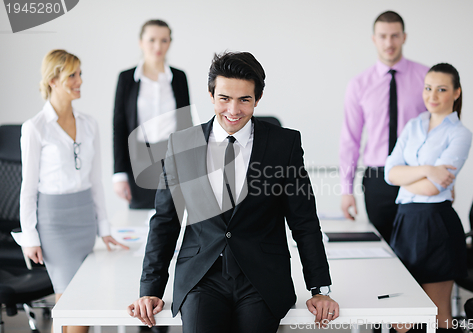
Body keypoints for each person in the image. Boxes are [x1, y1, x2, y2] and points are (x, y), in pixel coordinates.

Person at [127, 51, 339, 332]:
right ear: (211, 94)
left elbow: (304, 221)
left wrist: (319, 288)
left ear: (258, 99)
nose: (233, 110)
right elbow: (165, 221)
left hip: (261, 278)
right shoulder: (181, 144)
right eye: (225, 98)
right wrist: (150, 288)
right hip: (201, 278)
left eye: (244, 100)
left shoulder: (283, 144)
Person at [12, 49, 128, 333]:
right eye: (72, 75)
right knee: (75, 306)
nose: (80, 81)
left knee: (80, 305)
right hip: (55, 226)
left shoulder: (89, 124)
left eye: (80, 74)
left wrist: (104, 227)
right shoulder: (35, 128)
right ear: (53, 80)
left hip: (85, 221)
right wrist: (29, 236)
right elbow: (28, 188)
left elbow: (96, 181)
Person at [385, 63, 471, 332]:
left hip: (436, 226)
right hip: (406, 222)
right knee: (402, 317)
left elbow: (434, 188)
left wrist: (408, 177)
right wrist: (427, 170)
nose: (432, 95)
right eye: (428, 88)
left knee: (437, 314)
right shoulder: (413, 125)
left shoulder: (460, 134)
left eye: (442, 89)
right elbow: (389, 173)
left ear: (456, 93)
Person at [339, 10, 429, 242]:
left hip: (416, 175)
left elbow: (439, 129)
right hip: (378, 178)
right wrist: (346, 189)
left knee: (417, 246)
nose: (389, 43)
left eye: (394, 35)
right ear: (374, 39)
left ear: (404, 37)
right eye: (383, 36)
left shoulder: (426, 78)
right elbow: (351, 139)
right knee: (384, 247)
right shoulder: (359, 84)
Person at [113, 19, 194, 209]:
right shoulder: (127, 78)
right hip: (139, 162)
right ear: (141, 42)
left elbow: (186, 123)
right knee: (140, 221)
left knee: (174, 218)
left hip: (173, 160)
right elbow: (119, 126)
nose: (158, 46)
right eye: (152, 40)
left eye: (164, 40)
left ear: (170, 42)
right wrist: (119, 173)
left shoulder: (179, 77)